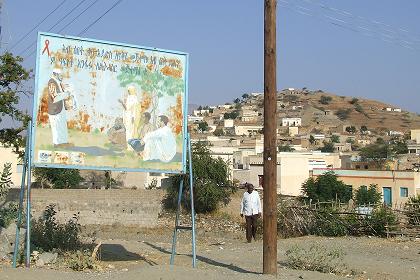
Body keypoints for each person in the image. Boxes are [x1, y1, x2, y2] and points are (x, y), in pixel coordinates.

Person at [47, 68, 73, 148]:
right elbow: (54, 97)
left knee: (62, 126)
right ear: (55, 74)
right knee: (56, 127)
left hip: (60, 108)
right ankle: (57, 144)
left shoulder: (59, 83)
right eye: (60, 75)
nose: (62, 76)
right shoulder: (52, 82)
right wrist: (66, 94)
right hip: (55, 109)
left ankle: (63, 143)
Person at [118, 85, 138, 150]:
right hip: (128, 116)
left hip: (130, 117)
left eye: (129, 90)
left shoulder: (133, 98)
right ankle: (129, 146)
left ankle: (130, 147)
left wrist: (121, 102)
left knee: (130, 132)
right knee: (128, 131)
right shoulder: (130, 97)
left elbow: (128, 108)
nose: (128, 92)